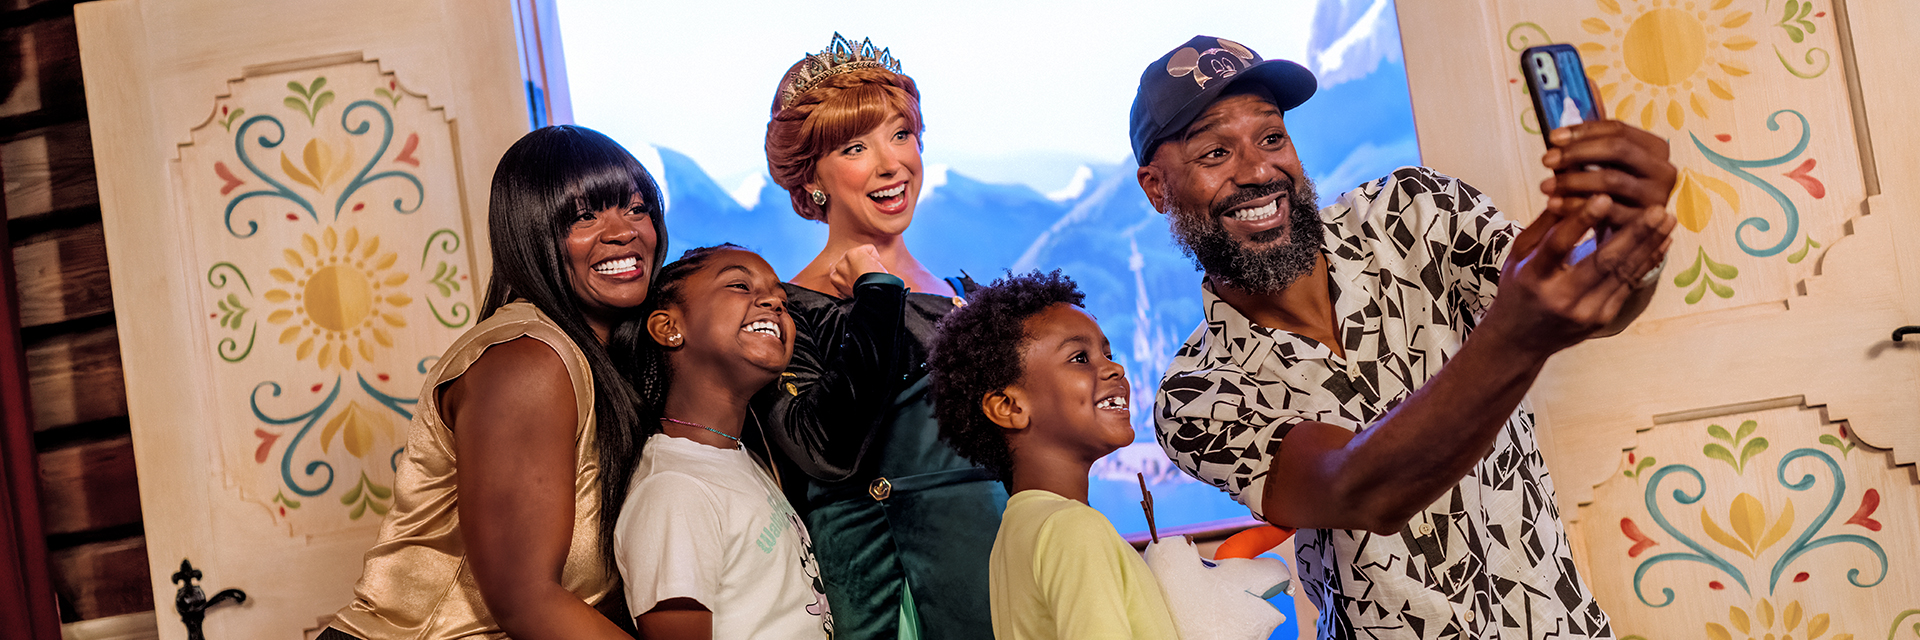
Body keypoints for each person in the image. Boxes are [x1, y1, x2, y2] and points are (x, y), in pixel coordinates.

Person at [1134, 36, 1678, 638]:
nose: (1260, 171)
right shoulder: (1196, 395)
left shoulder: (1415, 213)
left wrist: (1631, 243)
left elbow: (1585, 296)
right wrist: (1515, 334)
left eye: (1271, 137)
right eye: (1214, 153)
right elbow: (1364, 490)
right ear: (1157, 187)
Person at [322, 125, 669, 640]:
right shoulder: (527, 361)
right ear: (531, 235)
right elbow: (526, 598)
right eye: (584, 216)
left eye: (637, 208)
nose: (623, 231)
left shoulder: (603, 356)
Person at [754, 32, 1005, 639]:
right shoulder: (791, 311)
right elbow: (826, 452)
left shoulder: (964, 292)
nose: (891, 163)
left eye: (901, 134)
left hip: (1006, 563)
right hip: (896, 592)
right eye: (855, 147)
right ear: (813, 178)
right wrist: (876, 294)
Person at [928, 271, 1180, 640]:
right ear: (1008, 407)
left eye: (1107, 354)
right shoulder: (1073, 529)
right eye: (1080, 357)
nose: (1115, 368)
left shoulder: (1015, 533)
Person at [613, 244, 833, 639]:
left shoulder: (737, 456)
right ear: (669, 327)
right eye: (739, 285)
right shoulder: (674, 491)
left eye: (781, 299)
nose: (774, 302)